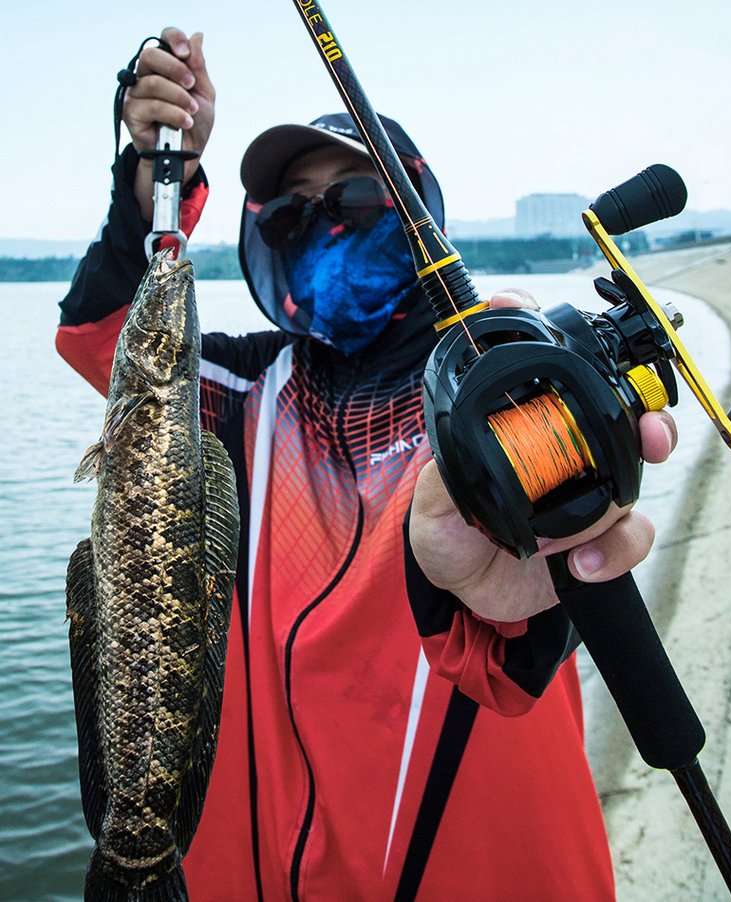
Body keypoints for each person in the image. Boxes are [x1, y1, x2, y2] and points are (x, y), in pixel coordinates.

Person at [57, 28, 675, 901]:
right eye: (292, 213)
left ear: (416, 208)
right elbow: (107, 340)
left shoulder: (490, 389)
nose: (323, 222)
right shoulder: (240, 388)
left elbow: (526, 616)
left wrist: (550, 551)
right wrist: (155, 179)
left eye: (351, 195)